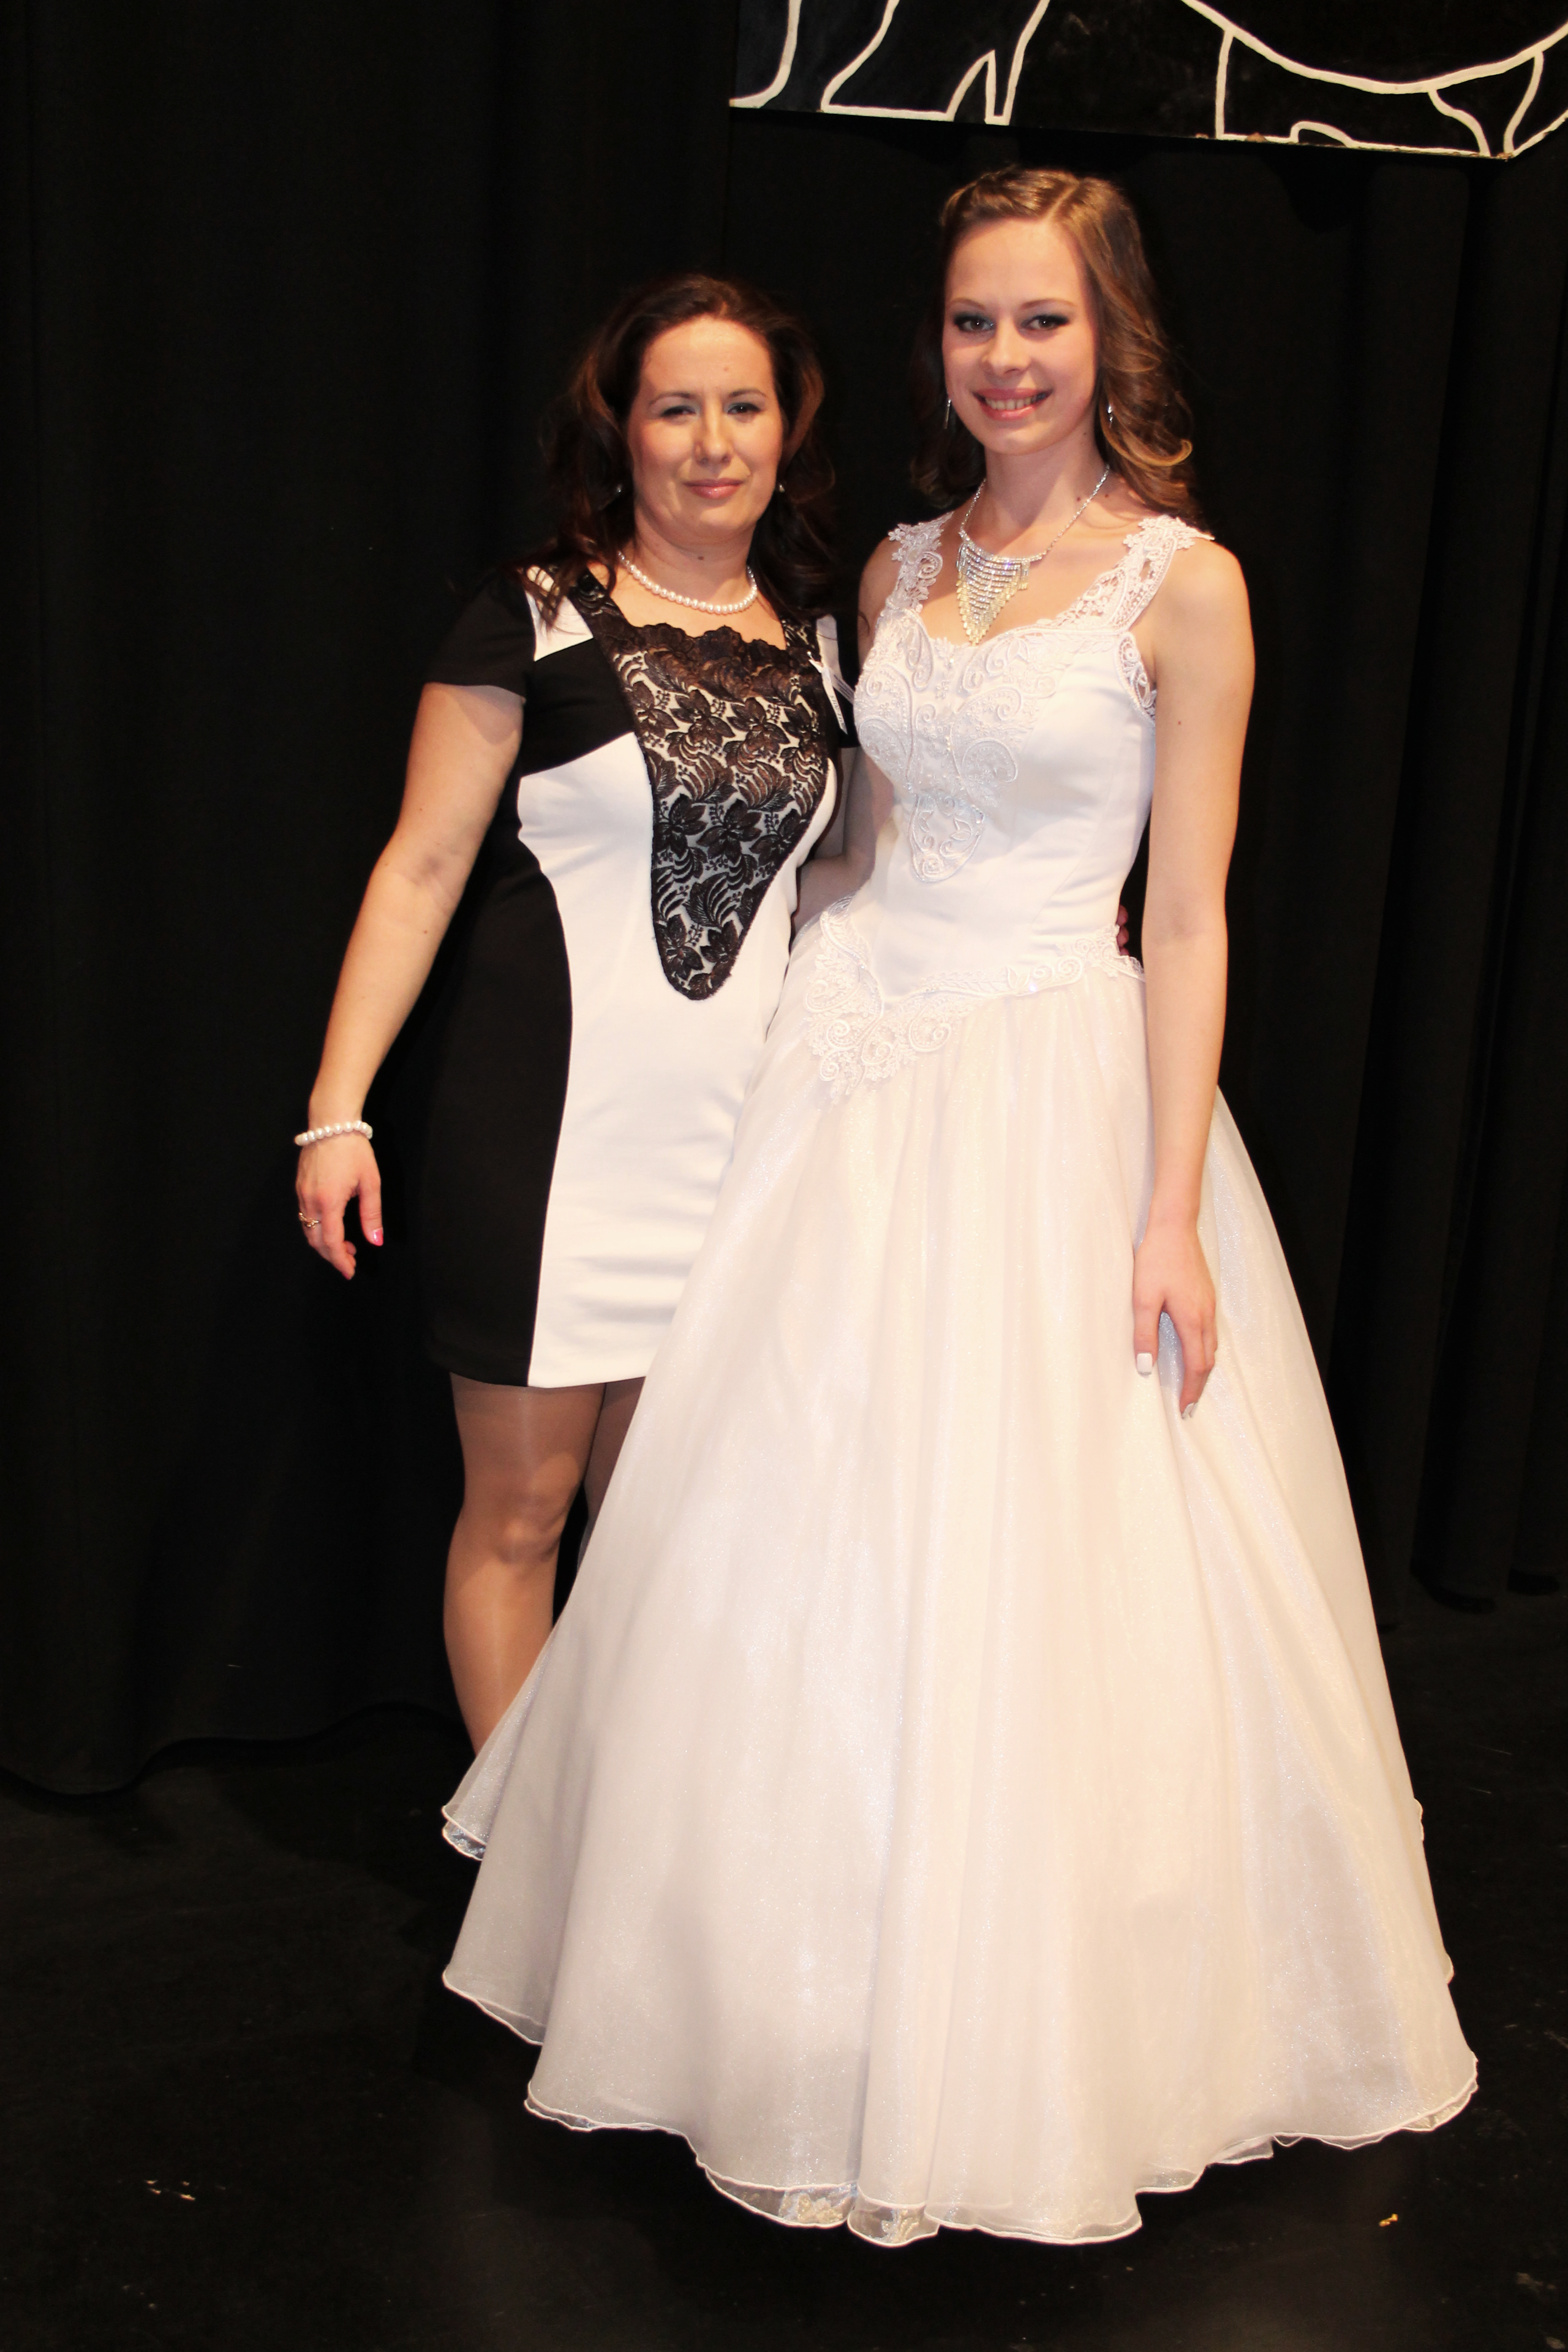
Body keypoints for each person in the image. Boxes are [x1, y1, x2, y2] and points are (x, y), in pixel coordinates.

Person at [440, 168, 1477, 2244]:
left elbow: (1189, 915)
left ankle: (1024, 2018)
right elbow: (852, 851)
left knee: (1039, 1560)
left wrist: (1167, 1208)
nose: (1006, 359)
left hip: (1051, 1085)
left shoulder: (1185, 584)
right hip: (847, 1075)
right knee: (782, 1542)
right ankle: (759, 1980)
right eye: (975, 322)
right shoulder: (896, 566)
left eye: (1043, 323)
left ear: (1113, 340)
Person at [295, 274, 865, 1746]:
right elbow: (420, 869)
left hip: (739, 1157)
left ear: (788, 433)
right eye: (676, 409)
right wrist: (337, 1112)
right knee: (523, 1515)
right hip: (546, 1151)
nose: (713, 442)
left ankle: (631, 1840)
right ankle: (518, 1853)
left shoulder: (823, 645)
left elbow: (844, 876)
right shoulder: (532, 616)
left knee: (681, 1534)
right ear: (622, 432)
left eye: (744, 407)